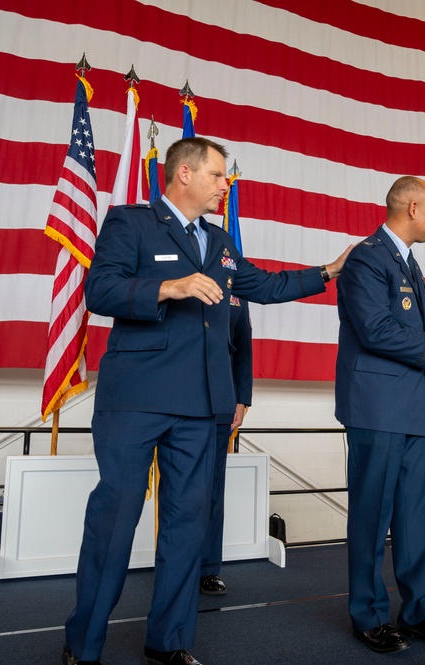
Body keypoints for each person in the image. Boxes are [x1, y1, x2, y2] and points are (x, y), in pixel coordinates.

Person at [63, 136, 351, 665]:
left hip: (201, 408)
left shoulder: (219, 241)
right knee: (116, 518)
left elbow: (262, 285)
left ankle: (169, 641)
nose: (226, 185)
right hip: (137, 400)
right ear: (185, 174)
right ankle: (83, 645)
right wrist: (170, 287)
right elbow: (100, 290)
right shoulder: (132, 222)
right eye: (219, 175)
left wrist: (328, 272)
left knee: (186, 523)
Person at [335, 176, 425, 654]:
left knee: (416, 515)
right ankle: (368, 616)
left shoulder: (408, 263)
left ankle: (421, 611)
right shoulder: (368, 258)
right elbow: (376, 331)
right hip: (375, 406)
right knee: (372, 515)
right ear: (412, 207)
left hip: (414, 407)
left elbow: (411, 330)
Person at [199, 296, 252, 596]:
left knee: (213, 489)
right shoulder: (183, 276)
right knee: (180, 489)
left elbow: (243, 346)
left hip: (221, 401)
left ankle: (208, 569)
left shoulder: (236, 288)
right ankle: (175, 564)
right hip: (180, 399)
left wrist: (242, 397)